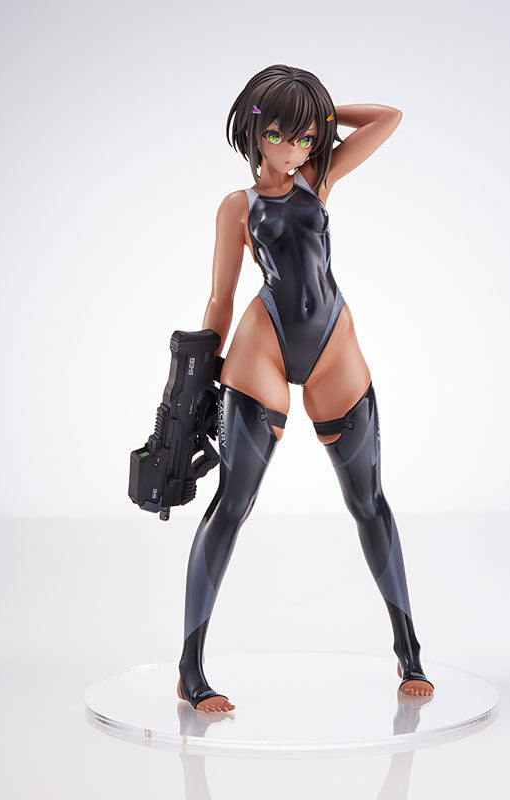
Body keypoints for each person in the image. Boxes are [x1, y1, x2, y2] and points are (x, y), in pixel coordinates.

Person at [177, 64, 435, 712]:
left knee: (369, 501)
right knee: (232, 505)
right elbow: (220, 297)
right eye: (278, 134)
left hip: (333, 346)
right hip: (260, 347)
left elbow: (388, 119)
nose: (293, 149)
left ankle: (408, 650)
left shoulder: (319, 180)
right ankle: (190, 668)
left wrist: (315, 108)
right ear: (253, 131)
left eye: (305, 136)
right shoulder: (237, 206)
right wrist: (197, 380)